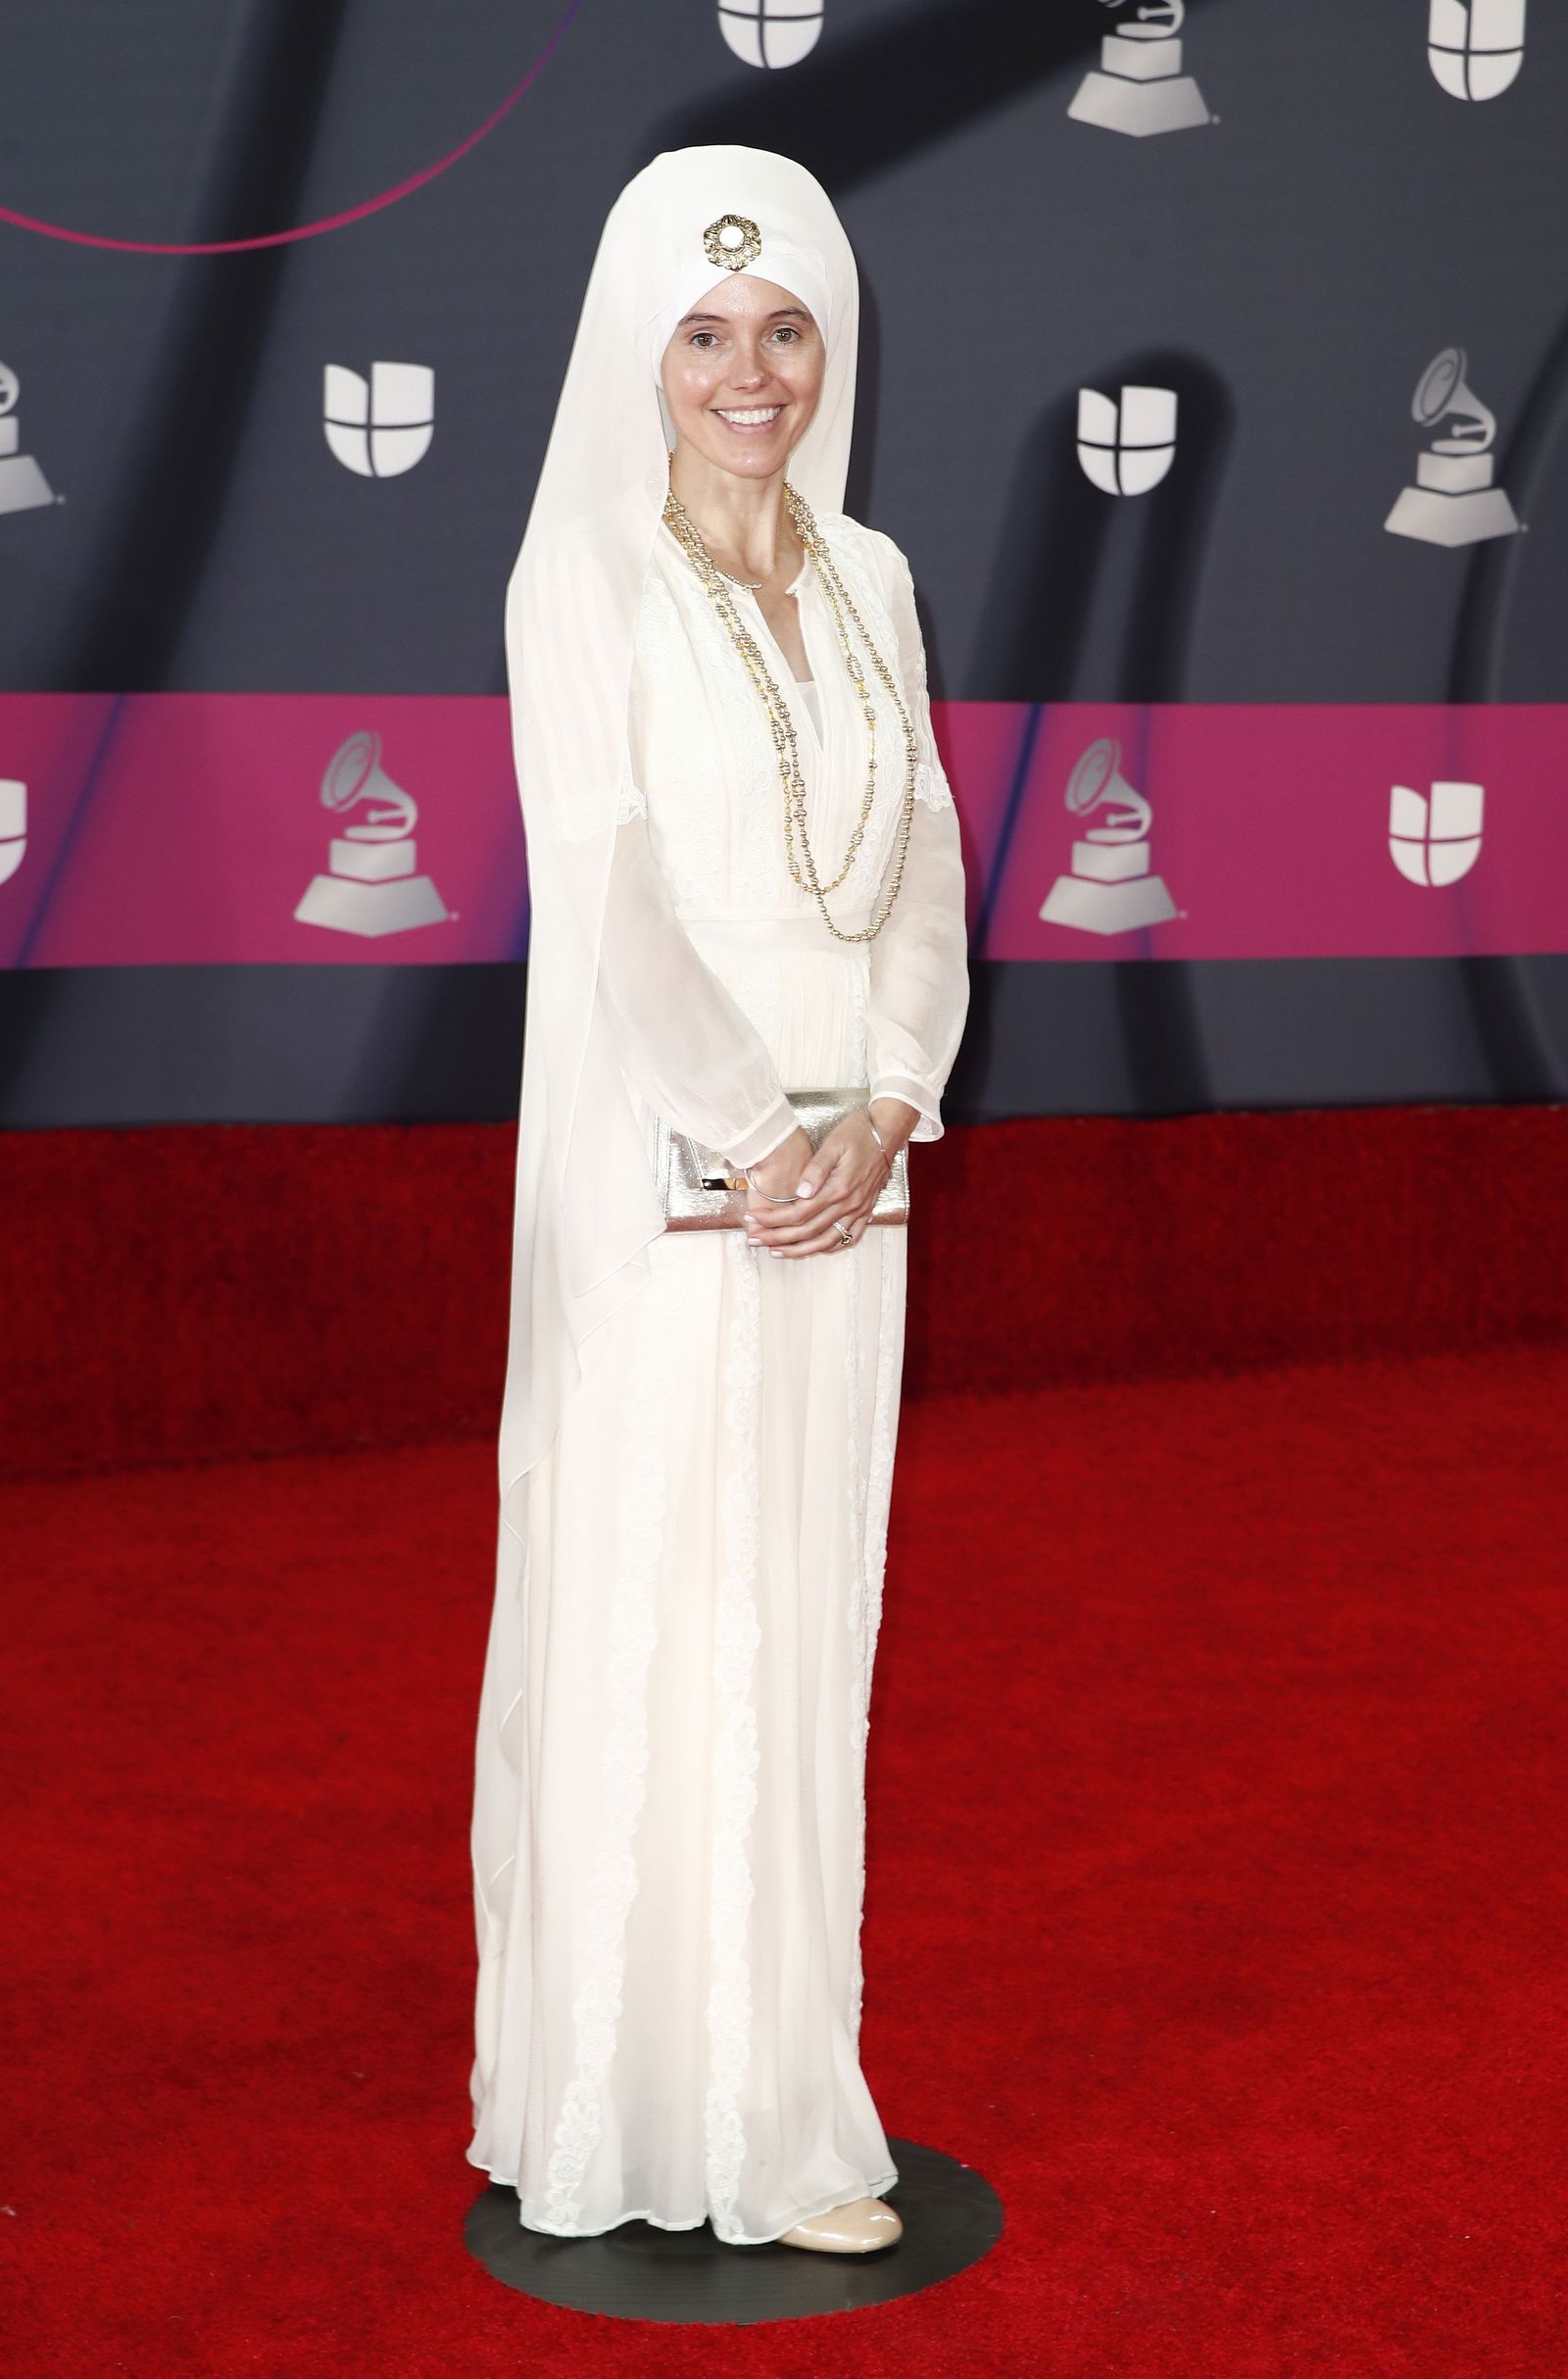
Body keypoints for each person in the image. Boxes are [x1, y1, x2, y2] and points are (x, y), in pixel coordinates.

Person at [466, 144, 970, 2255]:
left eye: (780, 329)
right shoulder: (576, 576)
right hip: (668, 1180)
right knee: (657, 1597)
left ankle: (778, 2093)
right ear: (634, 352)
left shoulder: (873, 569)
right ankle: (616, 2108)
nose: (748, 370)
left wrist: (893, 1096)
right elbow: (602, 885)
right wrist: (757, 1127)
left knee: (805, 1608)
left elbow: (926, 849)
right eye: (701, 332)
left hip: (851, 1178)